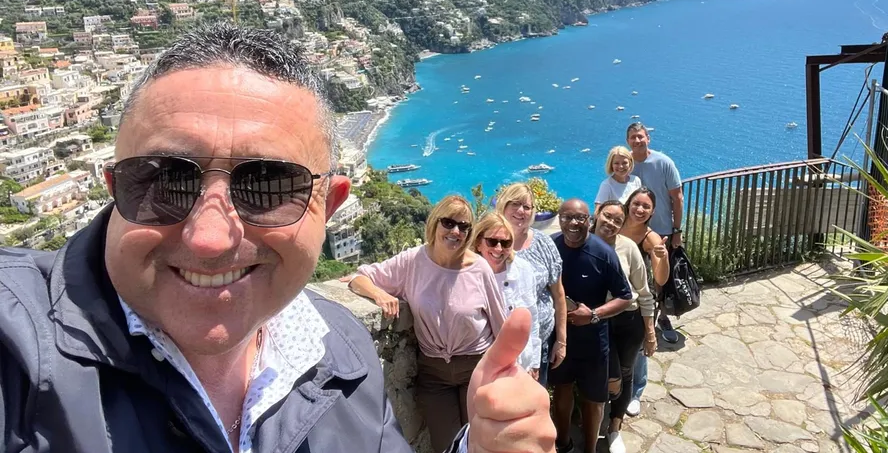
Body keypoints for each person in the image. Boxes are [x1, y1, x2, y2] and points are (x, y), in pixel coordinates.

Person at [0, 22, 555, 453]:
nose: (211, 238)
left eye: (268, 186)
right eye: (164, 180)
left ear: (330, 205)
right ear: (114, 186)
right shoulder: (17, 349)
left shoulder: (344, 353)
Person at [350, 195, 508, 453]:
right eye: (448, 222)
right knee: (446, 445)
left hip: (476, 367)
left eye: (464, 226)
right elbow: (360, 277)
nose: (455, 231)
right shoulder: (412, 261)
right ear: (435, 223)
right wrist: (380, 294)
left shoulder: (479, 269)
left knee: (481, 443)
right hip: (434, 373)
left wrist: (509, 370)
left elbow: (501, 324)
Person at [549, 198, 632, 453]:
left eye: (580, 218)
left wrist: (593, 314)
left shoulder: (603, 253)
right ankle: (563, 443)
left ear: (590, 220)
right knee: (561, 391)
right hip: (560, 337)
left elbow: (625, 297)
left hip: (595, 340)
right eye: (567, 217)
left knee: (594, 399)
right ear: (559, 218)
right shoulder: (550, 247)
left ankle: (590, 450)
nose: (574, 223)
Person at [591, 200, 656, 453]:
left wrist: (650, 332)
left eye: (618, 220)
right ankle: (592, 419)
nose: (611, 223)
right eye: (607, 216)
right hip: (595, 321)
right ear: (597, 214)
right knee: (601, 374)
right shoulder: (580, 243)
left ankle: (615, 427)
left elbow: (644, 292)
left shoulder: (628, 248)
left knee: (625, 374)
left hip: (628, 321)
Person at [497, 183, 567, 385]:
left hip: (538, 345)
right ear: (503, 206)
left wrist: (561, 342)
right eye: (515, 204)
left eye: (527, 207)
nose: (521, 211)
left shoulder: (544, 244)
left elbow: (559, 294)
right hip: (497, 345)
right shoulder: (490, 241)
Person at [625, 121, 683, 343]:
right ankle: (639, 318)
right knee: (636, 278)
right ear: (628, 141)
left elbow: (677, 198)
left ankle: (663, 317)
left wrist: (677, 230)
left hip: (661, 231)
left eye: (641, 136)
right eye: (633, 137)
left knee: (661, 279)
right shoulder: (626, 164)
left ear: (648, 138)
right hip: (632, 234)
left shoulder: (663, 162)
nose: (637, 140)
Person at [470, 212, 541, 378]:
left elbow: (533, 319)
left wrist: (535, 363)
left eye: (506, 242)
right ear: (479, 243)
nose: (499, 249)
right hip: (480, 367)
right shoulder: (467, 274)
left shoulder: (523, 270)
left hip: (520, 364)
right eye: (492, 241)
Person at [619, 187, 670, 418]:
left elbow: (660, 278)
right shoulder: (615, 224)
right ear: (628, 203)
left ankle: (635, 394)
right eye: (636, 204)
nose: (640, 209)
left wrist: (662, 257)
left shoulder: (651, 238)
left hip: (640, 298)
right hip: (612, 296)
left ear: (652, 212)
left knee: (639, 350)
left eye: (646, 207)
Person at [594, 146, 642, 212]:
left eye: (624, 163)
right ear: (611, 165)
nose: (621, 166)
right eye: (616, 163)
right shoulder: (607, 185)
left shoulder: (636, 181)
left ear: (630, 163)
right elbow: (598, 211)